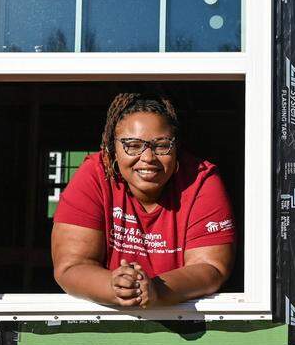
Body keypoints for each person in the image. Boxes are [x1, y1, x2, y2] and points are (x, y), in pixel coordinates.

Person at [51, 92, 235, 308]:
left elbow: (211, 267)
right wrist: (114, 287)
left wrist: (158, 290)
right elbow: (71, 266)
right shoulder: (94, 174)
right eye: (133, 145)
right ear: (113, 149)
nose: (148, 158)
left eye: (161, 145)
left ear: (176, 148)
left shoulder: (201, 179)